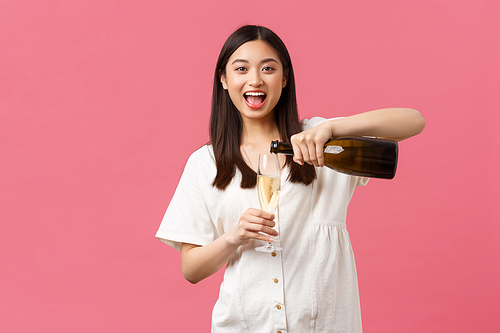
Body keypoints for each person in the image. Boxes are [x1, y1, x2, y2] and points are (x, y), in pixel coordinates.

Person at [156, 25, 426, 333]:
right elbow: (191, 269)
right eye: (241, 68)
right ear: (223, 79)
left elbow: (414, 121)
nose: (255, 80)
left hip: (325, 326)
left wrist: (332, 129)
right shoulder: (205, 163)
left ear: (284, 79)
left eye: (268, 68)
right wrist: (234, 236)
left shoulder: (320, 141)